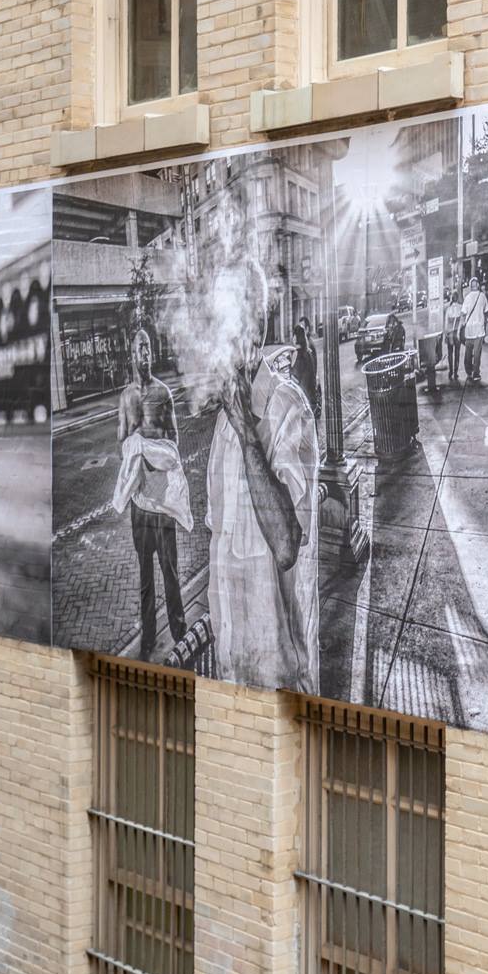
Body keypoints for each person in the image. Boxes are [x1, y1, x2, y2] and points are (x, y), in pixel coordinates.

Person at [203, 253, 319, 692]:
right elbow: (220, 542)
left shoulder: (288, 408)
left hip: (280, 679)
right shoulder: (223, 423)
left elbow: (286, 545)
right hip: (233, 669)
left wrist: (249, 433)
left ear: (256, 322)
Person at [115, 327, 189, 662]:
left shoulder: (163, 394)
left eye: (148, 347)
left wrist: (155, 454)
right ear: (131, 354)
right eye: (139, 347)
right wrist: (134, 456)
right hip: (139, 505)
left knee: (169, 571)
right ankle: (148, 636)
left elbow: (175, 441)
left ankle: (180, 631)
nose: (145, 353)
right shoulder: (126, 398)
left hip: (161, 502)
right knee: (145, 574)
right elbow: (122, 443)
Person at [460, 275, 488, 382]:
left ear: (470, 286)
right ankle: (476, 373)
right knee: (477, 353)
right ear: (478, 285)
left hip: (469, 330)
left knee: (468, 352)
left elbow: (463, 313)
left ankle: (468, 370)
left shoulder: (467, 298)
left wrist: (463, 323)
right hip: (479, 330)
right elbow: (486, 310)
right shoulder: (482, 296)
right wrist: (484, 320)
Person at [444, 285, 464, 378]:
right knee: (457, 352)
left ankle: (450, 371)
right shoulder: (461, 307)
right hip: (458, 333)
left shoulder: (448, 309)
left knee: (450, 352)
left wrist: (446, 334)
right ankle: (456, 372)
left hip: (450, 333)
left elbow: (446, 323)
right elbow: (463, 321)